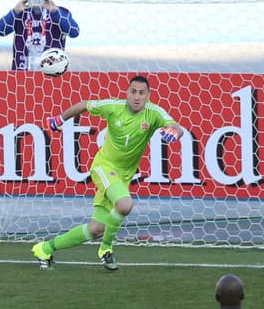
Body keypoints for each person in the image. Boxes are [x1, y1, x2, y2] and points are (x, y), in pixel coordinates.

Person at [32, 75, 185, 272]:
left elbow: (176, 127)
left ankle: (45, 248)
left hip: (123, 177)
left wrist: (174, 132)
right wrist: (59, 118)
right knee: (125, 204)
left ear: (148, 95)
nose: (137, 97)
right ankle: (105, 249)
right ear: (127, 93)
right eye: (133, 92)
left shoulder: (153, 113)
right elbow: (84, 104)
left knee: (96, 229)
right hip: (103, 167)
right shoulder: (113, 107)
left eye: (142, 93)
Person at [0, 0, 79, 71]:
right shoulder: (20, 13)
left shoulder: (60, 12)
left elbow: (74, 32)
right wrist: (15, 12)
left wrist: (56, 12)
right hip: (22, 74)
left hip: (51, 74)